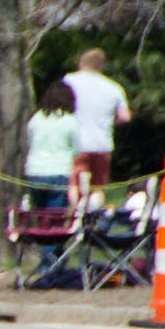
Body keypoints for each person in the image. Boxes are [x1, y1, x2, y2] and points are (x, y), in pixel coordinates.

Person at [23, 80, 80, 273]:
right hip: (58, 172)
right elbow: (76, 149)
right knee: (56, 220)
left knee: (43, 221)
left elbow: (30, 141)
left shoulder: (36, 118)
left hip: (35, 172)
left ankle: (51, 260)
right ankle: (49, 264)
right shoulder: (70, 121)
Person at [63, 48, 129, 192]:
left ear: (81, 63)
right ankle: (96, 213)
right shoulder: (114, 88)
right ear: (101, 66)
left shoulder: (68, 81)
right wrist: (111, 122)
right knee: (98, 188)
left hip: (76, 144)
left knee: (75, 186)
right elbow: (125, 117)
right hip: (102, 144)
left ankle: (76, 213)